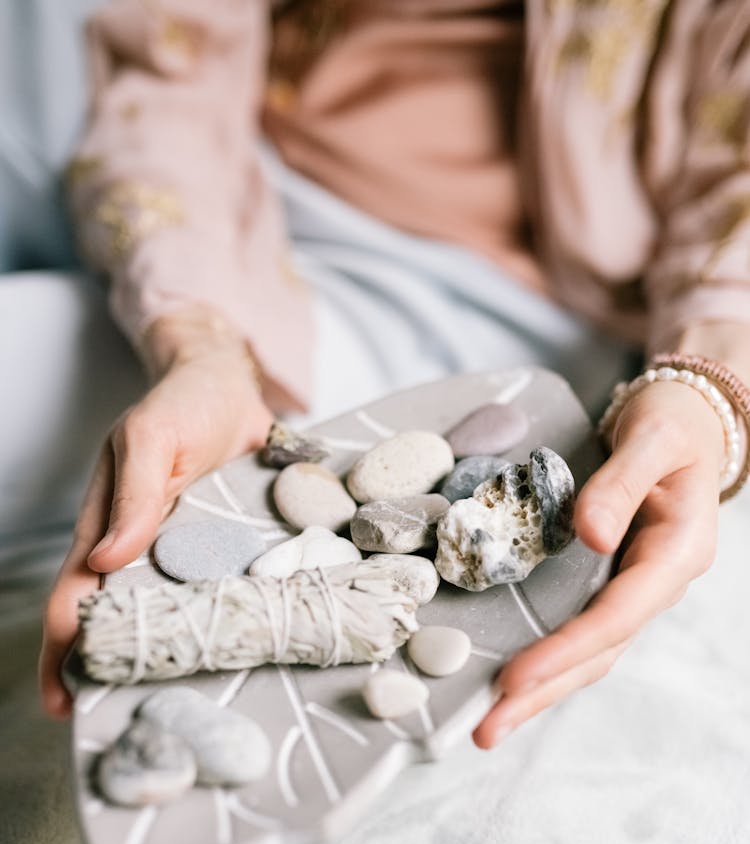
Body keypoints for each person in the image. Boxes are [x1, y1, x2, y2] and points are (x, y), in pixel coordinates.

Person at [39, 0, 750, 748]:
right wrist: (200, 338)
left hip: (472, 289)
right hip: (230, 184)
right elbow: (176, 57)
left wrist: (709, 389)